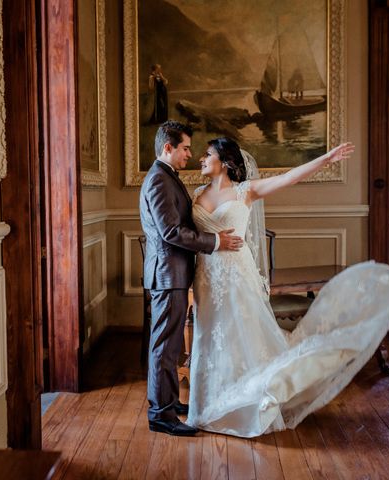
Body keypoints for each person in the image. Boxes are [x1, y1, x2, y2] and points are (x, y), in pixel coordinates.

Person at [187, 137, 389, 437]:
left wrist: (325, 159)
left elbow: (289, 178)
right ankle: (206, 406)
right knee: (209, 335)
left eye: (207, 154)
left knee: (242, 336)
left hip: (237, 274)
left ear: (224, 161)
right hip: (206, 276)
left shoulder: (245, 191)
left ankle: (244, 404)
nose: (200, 158)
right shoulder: (196, 194)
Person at [139, 121, 244, 437]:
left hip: (174, 273)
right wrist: (215, 242)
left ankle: (167, 404)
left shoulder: (168, 177)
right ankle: (160, 415)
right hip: (167, 274)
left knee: (169, 345)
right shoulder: (159, 180)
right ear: (168, 148)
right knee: (165, 348)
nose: (190, 154)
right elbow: (171, 232)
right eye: (185, 148)